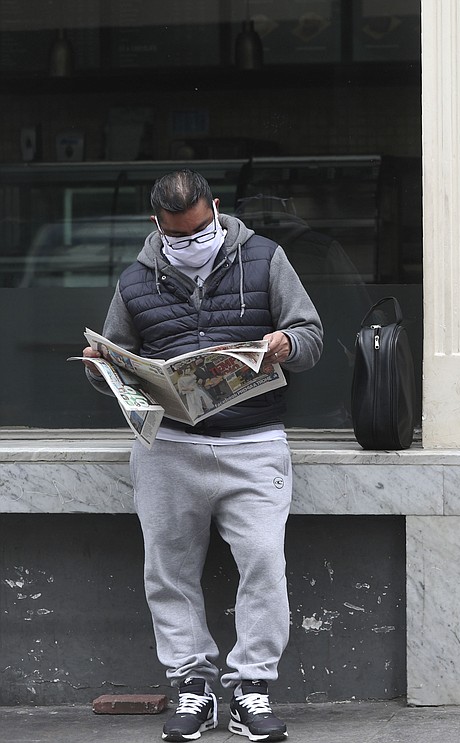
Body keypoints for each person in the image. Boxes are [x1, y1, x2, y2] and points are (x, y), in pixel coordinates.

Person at [82, 169, 323, 742]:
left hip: (253, 441)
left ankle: (251, 688)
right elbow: (118, 359)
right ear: (156, 224)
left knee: (264, 564)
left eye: (203, 229)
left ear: (216, 209)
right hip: (169, 448)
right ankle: (192, 685)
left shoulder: (266, 259)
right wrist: (103, 368)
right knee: (168, 571)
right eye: (180, 234)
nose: (194, 241)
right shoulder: (135, 279)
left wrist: (285, 344)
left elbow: (311, 335)